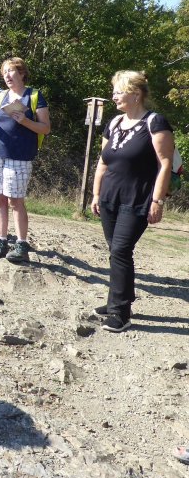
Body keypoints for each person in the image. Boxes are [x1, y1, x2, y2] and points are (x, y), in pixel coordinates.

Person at [90, 70, 174, 333]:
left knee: (121, 250)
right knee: (115, 249)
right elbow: (103, 162)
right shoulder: (114, 123)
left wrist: (157, 200)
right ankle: (116, 299)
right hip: (109, 197)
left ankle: (120, 313)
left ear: (136, 94)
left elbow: (165, 164)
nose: (114, 95)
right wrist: (95, 194)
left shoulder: (155, 122)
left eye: (119, 90)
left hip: (138, 198)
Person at [0, 57, 51, 263]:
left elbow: (45, 128)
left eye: (11, 71)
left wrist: (25, 121)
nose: (7, 75)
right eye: (4, 72)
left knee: (15, 201)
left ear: (22, 73)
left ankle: (21, 244)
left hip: (20, 157)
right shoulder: (1, 95)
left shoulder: (35, 96)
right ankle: (1, 241)